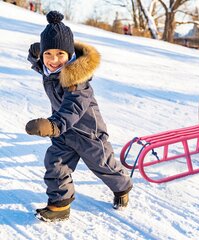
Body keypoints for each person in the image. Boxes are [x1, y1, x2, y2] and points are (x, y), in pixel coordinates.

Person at [26, 11, 133, 222]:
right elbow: (42, 67)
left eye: (60, 55)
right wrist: (35, 55)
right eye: (48, 54)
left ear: (70, 55)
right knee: (55, 164)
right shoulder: (50, 70)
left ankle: (122, 188)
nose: (54, 60)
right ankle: (59, 206)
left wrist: (53, 126)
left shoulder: (77, 80)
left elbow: (73, 108)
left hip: (87, 133)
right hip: (65, 133)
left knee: (104, 166)